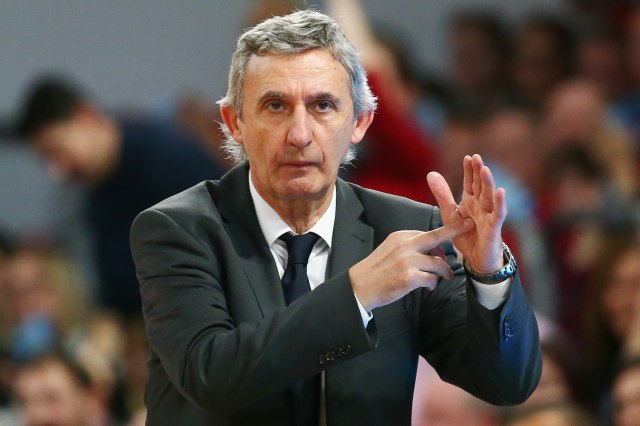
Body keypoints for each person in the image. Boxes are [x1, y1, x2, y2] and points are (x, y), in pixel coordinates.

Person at [130, 10, 542, 425]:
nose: (300, 135)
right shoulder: (178, 229)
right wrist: (356, 294)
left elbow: (506, 384)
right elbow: (210, 376)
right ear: (235, 123)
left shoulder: (408, 232)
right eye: (275, 106)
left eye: (322, 105)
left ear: (360, 122)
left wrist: (490, 273)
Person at [14, 76, 225, 317]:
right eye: (45, 160)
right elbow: (117, 297)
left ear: (86, 116)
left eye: (56, 151)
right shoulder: (96, 197)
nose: (57, 172)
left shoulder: (171, 160)